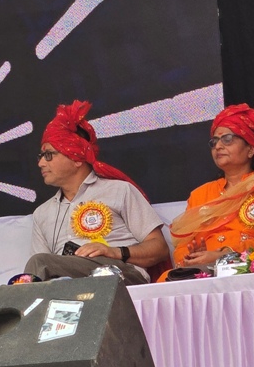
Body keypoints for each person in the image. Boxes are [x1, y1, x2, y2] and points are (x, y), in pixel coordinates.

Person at [24, 100, 168, 284]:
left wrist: (115, 252)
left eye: (49, 155)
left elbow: (159, 248)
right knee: (32, 276)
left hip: (119, 275)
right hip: (68, 285)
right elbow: (37, 279)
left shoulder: (118, 190)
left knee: (39, 263)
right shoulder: (42, 213)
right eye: (41, 156)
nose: (41, 163)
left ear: (77, 158)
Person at [168, 104, 254, 269]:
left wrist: (224, 255)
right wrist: (191, 256)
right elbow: (181, 248)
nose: (218, 146)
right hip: (200, 272)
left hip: (248, 267)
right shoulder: (199, 195)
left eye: (227, 139)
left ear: (250, 149)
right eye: (214, 142)